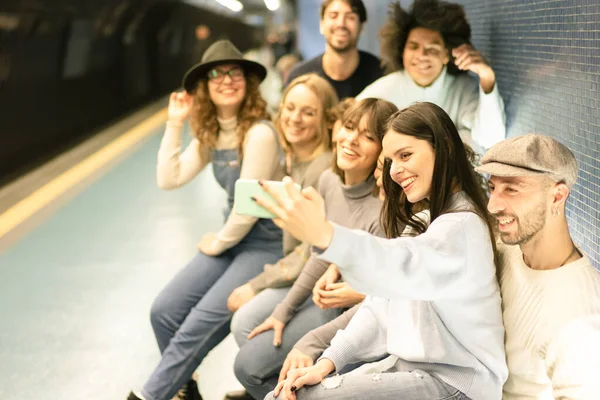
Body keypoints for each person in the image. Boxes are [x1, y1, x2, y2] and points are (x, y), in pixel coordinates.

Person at [256, 102, 508, 400]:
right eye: (390, 160)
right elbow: (381, 307)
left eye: (405, 155)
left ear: (445, 150)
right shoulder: (427, 219)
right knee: (285, 394)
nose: (395, 171)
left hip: (457, 385)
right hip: (415, 371)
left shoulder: (461, 229)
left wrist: (327, 235)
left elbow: (396, 266)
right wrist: (328, 361)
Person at [127, 40, 285, 400]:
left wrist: (218, 241)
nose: (226, 80)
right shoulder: (212, 134)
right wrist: (174, 122)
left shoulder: (259, 132)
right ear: (204, 86)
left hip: (267, 242)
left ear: (248, 82)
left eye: (235, 73)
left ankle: (151, 395)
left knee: (195, 326)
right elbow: (170, 178)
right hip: (235, 240)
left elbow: (249, 208)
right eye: (216, 73)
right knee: (164, 312)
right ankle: (187, 390)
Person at [231, 99, 398, 400]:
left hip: (359, 318)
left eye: (368, 136)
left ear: (382, 151)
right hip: (327, 303)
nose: (352, 140)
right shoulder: (329, 180)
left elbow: (382, 300)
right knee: (248, 359)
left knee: (263, 370)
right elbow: (320, 253)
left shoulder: (383, 208)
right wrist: (283, 312)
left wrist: (312, 343)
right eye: (349, 128)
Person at [224, 74, 337, 400]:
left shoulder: (321, 168)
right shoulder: (290, 160)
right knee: (244, 323)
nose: (295, 118)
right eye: (290, 108)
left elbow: (309, 251)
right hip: (299, 270)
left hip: (317, 278)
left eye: (308, 112)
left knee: (245, 326)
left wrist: (255, 284)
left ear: (325, 119)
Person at [475, 134, 600, 399]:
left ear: (557, 196)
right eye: (493, 187)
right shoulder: (508, 248)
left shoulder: (579, 317)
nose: (493, 204)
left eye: (511, 189)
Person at [357, 0, 505, 152]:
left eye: (432, 49)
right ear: (402, 52)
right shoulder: (382, 90)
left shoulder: (464, 89)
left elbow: (491, 140)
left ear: (447, 55)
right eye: (413, 47)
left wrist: (487, 77)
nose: (422, 55)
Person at [285, 0, 383, 100]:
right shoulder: (299, 78)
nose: (341, 24)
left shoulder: (382, 74)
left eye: (350, 17)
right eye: (333, 16)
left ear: (361, 27)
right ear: (321, 25)